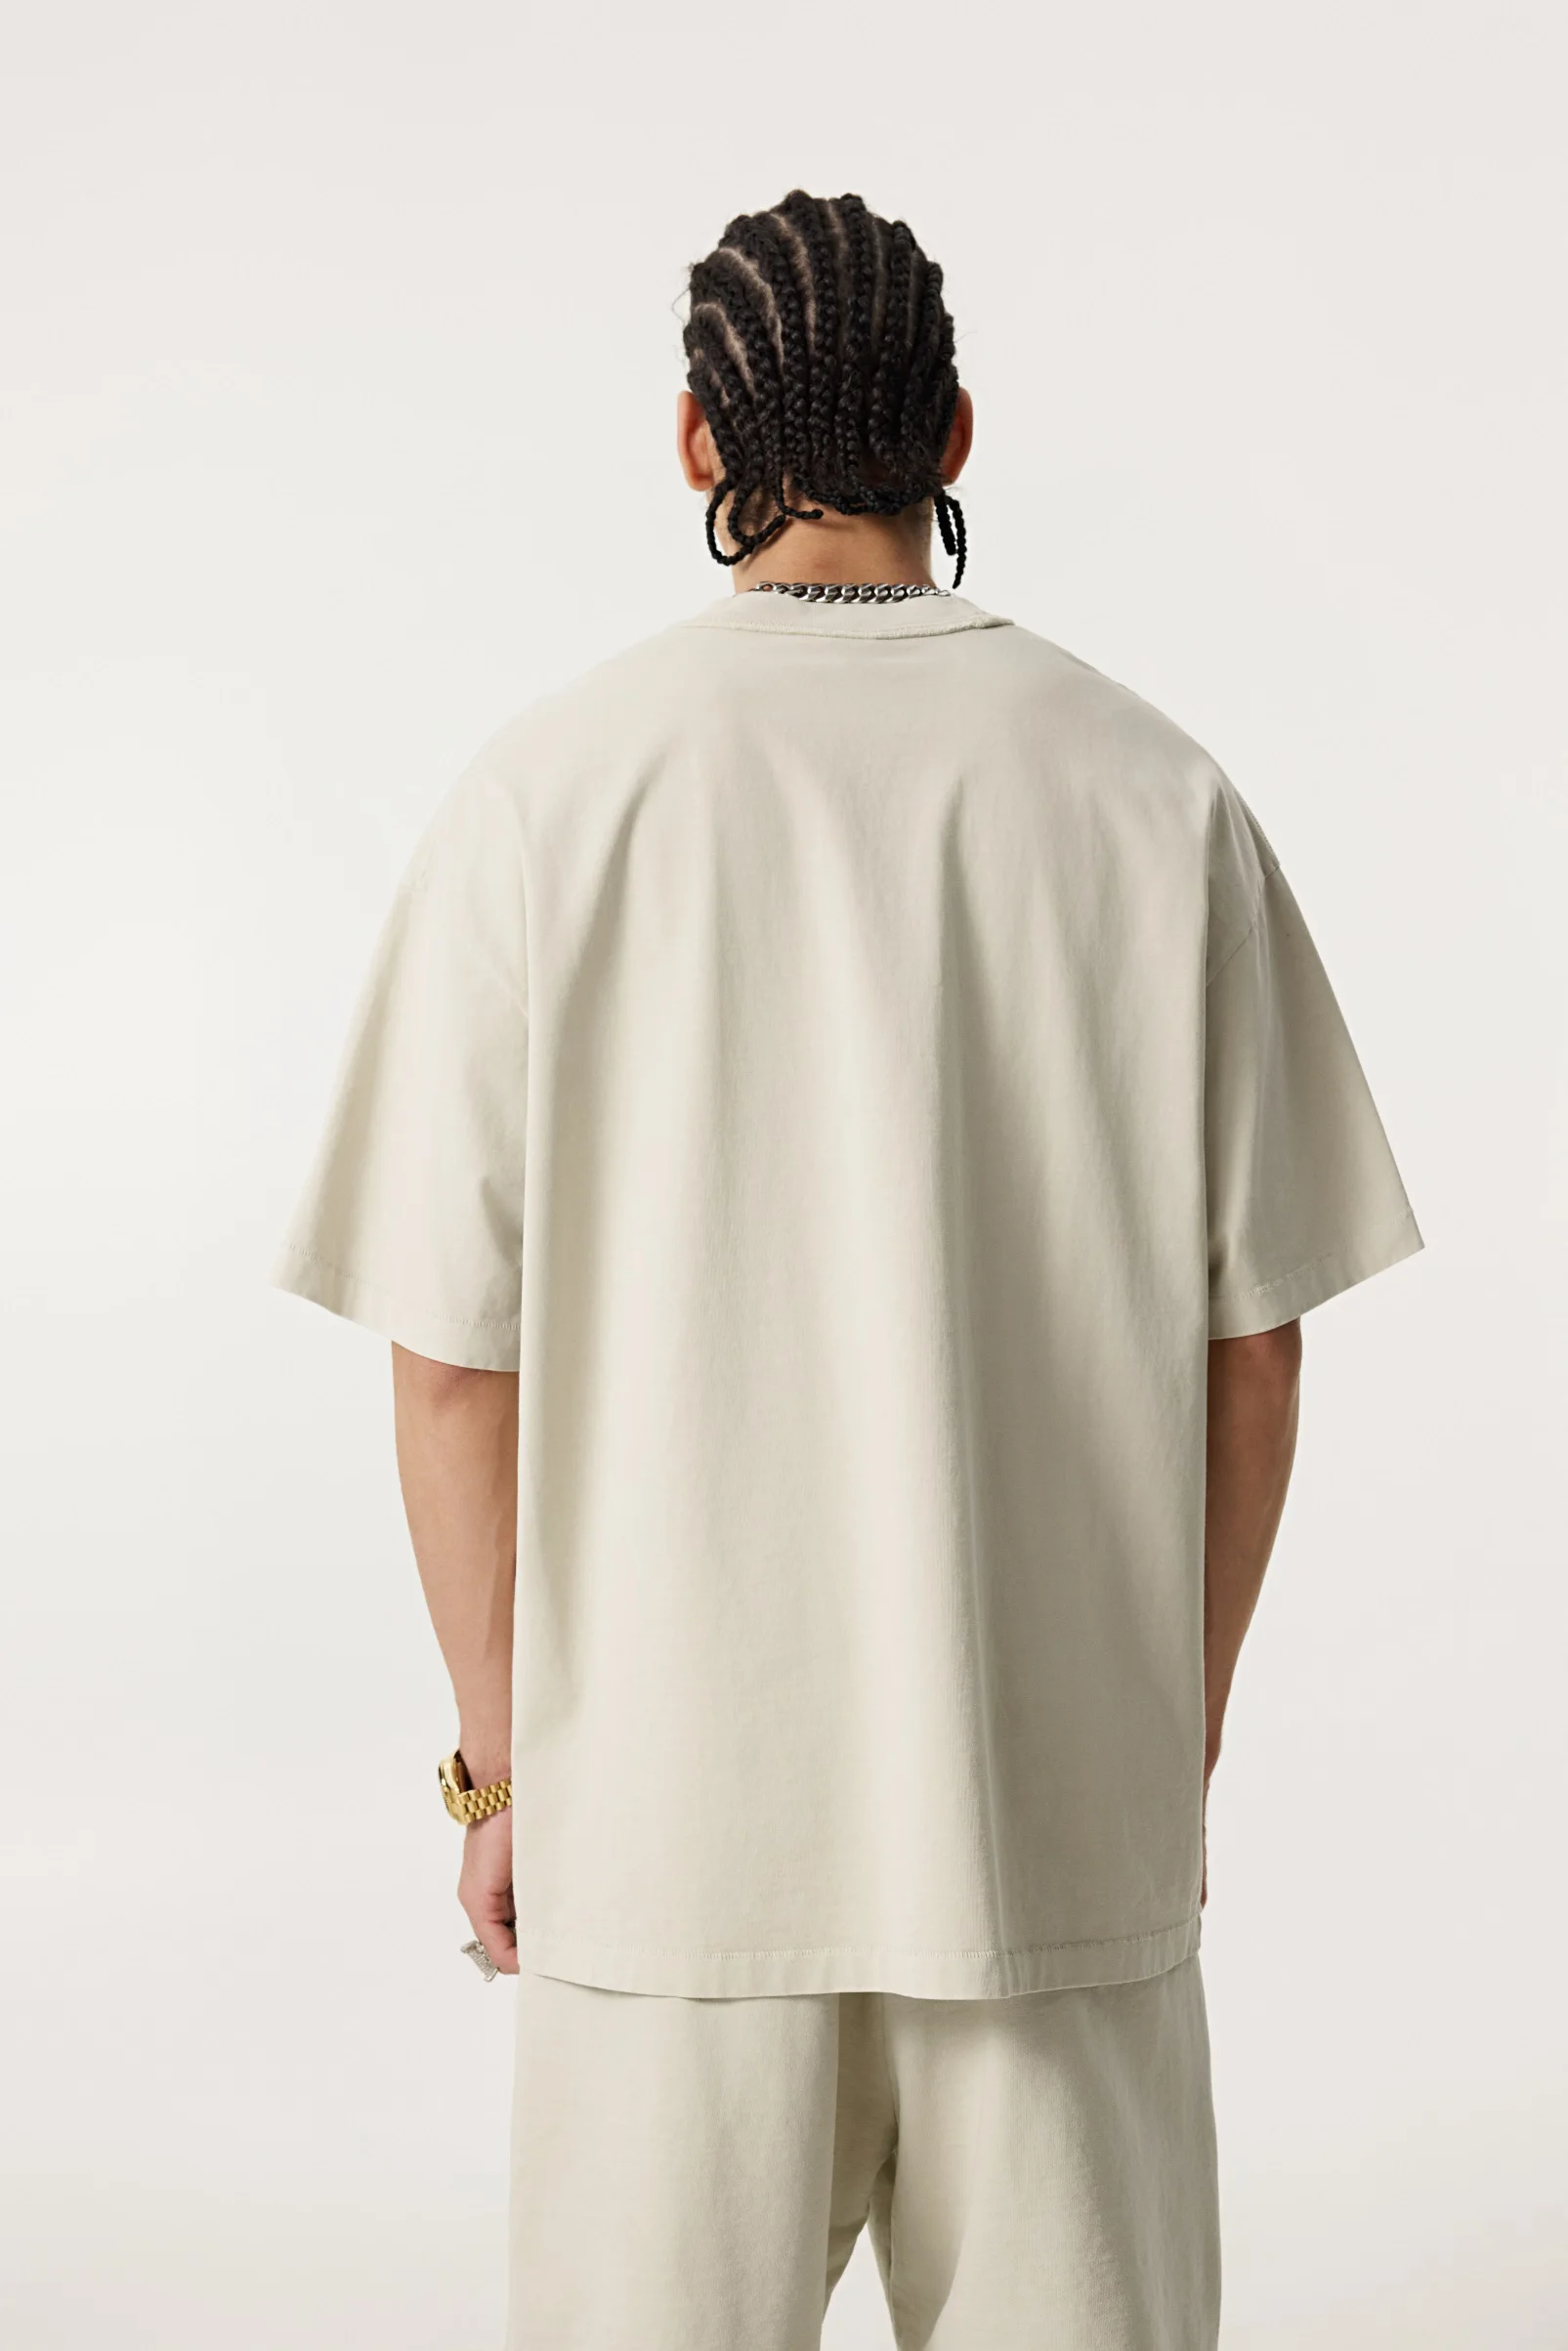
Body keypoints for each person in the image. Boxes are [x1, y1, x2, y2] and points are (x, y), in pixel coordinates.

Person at [275, 189, 1422, 2351]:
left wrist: (502, 1773)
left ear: (696, 443)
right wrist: (1162, 1738)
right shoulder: (1153, 796)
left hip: (664, 1860)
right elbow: (1253, 1351)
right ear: (955, 433)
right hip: (1046, 1839)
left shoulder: (548, 798)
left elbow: (451, 1367)